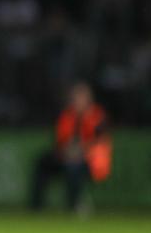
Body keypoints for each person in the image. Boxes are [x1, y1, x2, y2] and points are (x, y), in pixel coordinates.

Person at [30, 82, 112, 212]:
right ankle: (36, 206)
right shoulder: (67, 116)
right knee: (43, 161)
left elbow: (100, 143)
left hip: (90, 161)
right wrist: (66, 152)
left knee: (74, 167)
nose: (77, 101)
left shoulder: (97, 116)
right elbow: (60, 141)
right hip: (67, 156)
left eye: (81, 97)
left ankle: (74, 204)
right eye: (75, 98)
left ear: (88, 99)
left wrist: (81, 151)